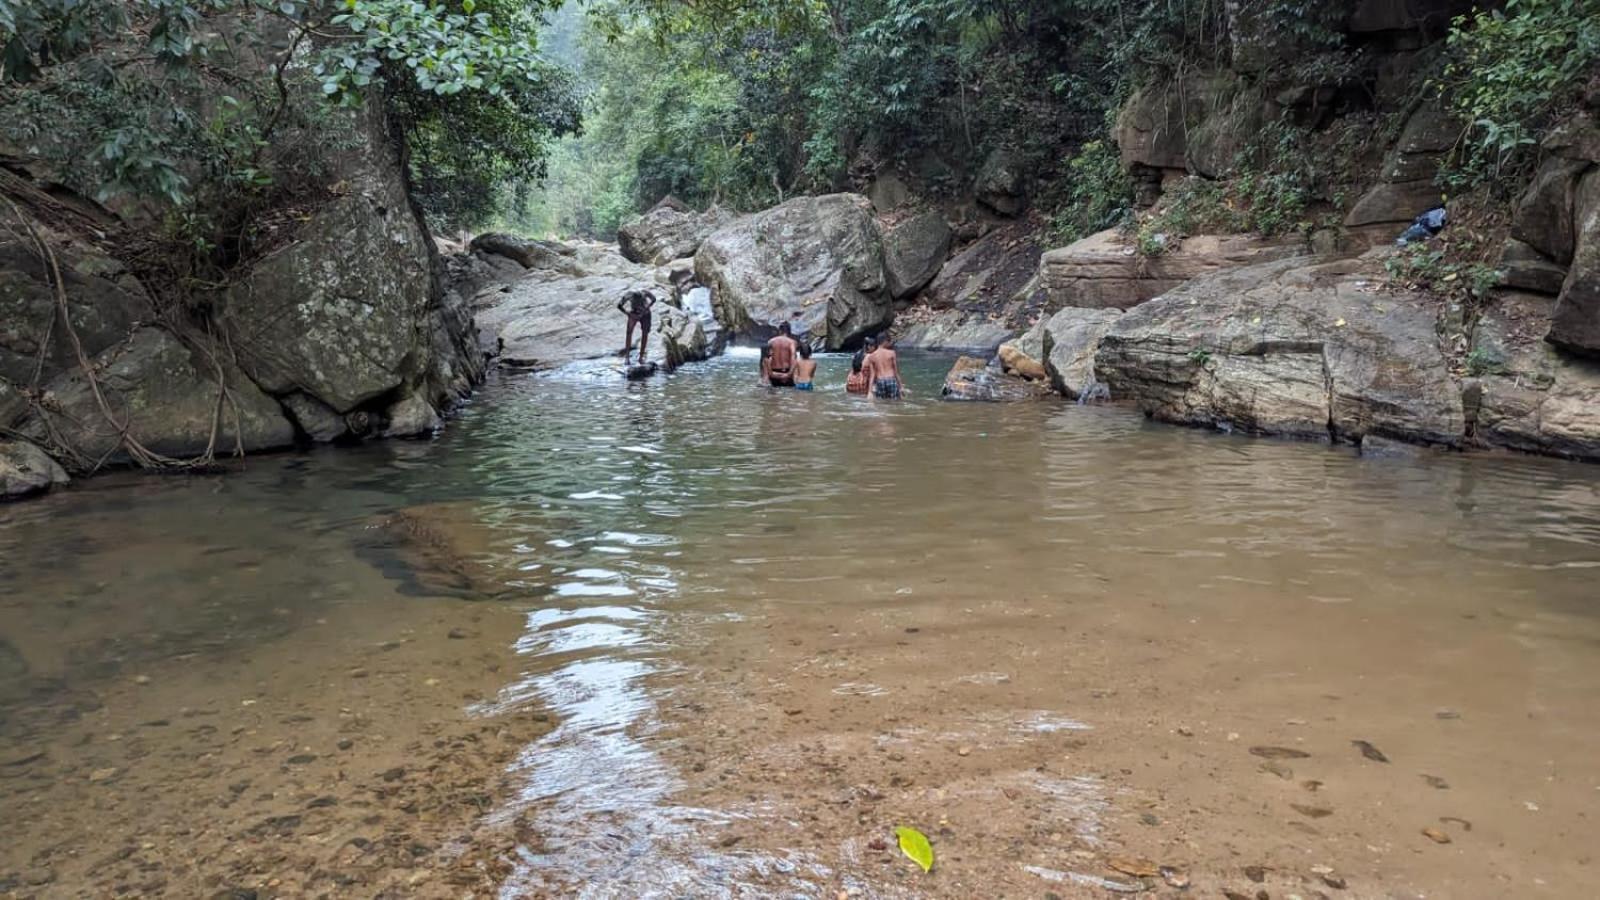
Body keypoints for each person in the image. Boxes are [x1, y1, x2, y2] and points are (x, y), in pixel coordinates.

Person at [616, 289, 656, 364]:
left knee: (645, 333)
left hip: (645, 314)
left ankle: (641, 357)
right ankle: (627, 357)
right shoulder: (628, 295)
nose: (638, 301)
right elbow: (619, 305)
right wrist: (628, 314)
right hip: (634, 313)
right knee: (629, 332)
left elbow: (654, 299)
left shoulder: (645, 292)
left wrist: (647, 308)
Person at [863, 332, 903, 399]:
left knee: (881, 404)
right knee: (895, 403)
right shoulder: (892, 353)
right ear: (885, 341)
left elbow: (872, 375)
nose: (890, 343)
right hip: (891, 379)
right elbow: (896, 372)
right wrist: (901, 387)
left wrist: (870, 392)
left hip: (880, 381)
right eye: (889, 341)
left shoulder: (872, 356)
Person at [767, 323, 798, 387]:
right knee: (789, 395)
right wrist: (789, 374)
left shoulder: (771, 341)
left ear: (780, 330)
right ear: (789, 331)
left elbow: (767, 358)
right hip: (786, 371)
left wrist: (770, 373)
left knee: (774, 394)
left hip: (773, 371)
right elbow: (793, 356)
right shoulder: (792, 342)